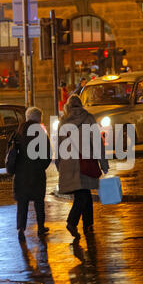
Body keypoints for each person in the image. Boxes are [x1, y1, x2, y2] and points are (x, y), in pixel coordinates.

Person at [55, 95, 109, 239]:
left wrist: (58, 162)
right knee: (82, 194)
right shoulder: (88, 118)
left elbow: (58, 144)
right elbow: (97, 142)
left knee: (84, 193)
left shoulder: (62, 121)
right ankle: (72, 222)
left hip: (68, 163)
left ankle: (88, 224)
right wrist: (104, 163)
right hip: (84, 161)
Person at [13, 107, 52, 242]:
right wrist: (41, 166)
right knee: (38, 201)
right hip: (36, 173)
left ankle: (21, 229)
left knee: (22, 203)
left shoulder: (18, 131)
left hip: (21, 174)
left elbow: (11, 151)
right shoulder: (40, 133)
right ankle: (40, 227)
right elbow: (47, 154)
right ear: (38, 118)